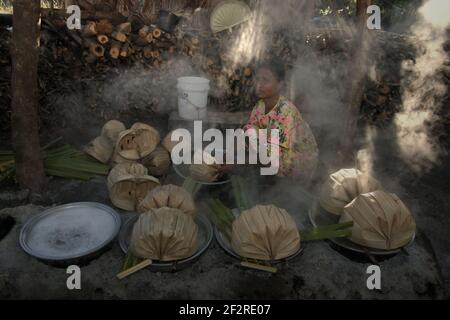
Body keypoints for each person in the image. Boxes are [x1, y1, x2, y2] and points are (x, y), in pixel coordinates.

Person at [243, 59, 319, 181]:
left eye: (265, 80)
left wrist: (239, 164)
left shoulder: (285, 112)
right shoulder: (260, 106)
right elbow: (250, 131)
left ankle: (280, 185)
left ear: (280, 84)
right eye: (257, 79)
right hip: (273, 153)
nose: (259, 85)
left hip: (295, 165)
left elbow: (275, 154)